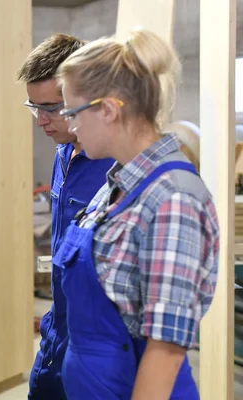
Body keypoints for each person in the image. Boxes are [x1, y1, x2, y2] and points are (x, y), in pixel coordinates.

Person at [53, 29, 219, 399]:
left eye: (71, 112)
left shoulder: (172, 199)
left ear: (108, 110)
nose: (71, 126)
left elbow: (165, 349)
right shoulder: (115, 185)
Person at [17, 34, 115, 399]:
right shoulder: (63, 153)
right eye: (33, 107)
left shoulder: (116, 164)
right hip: (56, 338)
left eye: (52, 108)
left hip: (97, 351)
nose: (40, 121)